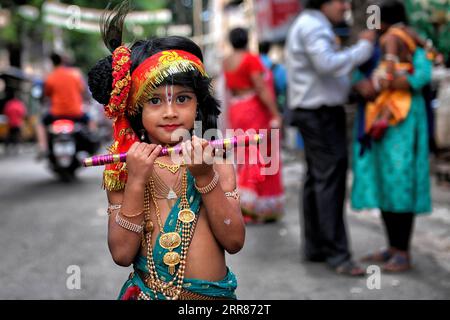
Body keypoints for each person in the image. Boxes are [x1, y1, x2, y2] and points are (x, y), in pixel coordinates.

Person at [87, 2, 245, 300]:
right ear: (135, 108)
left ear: (199, 104)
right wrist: (135, 182)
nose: (170, 112)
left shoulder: (215, 160)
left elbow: (234, 240)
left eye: (183, 98)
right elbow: (121, 254)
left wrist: (205, 177)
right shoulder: (125, 169)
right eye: (155, 101)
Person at [285, 0, 376, 276]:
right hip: (320, 114)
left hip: (315, 112)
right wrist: (365, 46)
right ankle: (338, 255)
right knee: (329, 181)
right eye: (339, 0)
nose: (345, 6)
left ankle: (317, 248)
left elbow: (324, 69)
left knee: (317, 179)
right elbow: (327, 64)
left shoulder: (312, 24)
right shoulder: (313, 25)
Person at [351, 0, 432, 273]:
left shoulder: (407, 41)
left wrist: (392, 81)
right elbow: (361, 75)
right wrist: (364, 85)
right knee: (385, 182)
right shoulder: (378, 43)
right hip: (379, 123)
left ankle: (403, 251)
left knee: (400, 181)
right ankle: (392, 247)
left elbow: (422, 75)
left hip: (403, 124)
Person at [223, 27, 284, 224]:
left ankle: (248, 204)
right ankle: (255, 206)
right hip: (253, 109)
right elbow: (260, 86)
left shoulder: (226, 61)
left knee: (245, 154)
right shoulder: (251, 59)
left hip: (236, 108)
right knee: (261, 154)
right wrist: (275, 113)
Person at [36, 52, 88, 157]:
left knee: (40, 123)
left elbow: (46, 94)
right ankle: (89, 144)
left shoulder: (50, 77)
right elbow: (83, 91)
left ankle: (43, 147)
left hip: (56, 113)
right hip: (76, 113)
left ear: (52, 63)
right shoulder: (75, 75)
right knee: (90, 122)